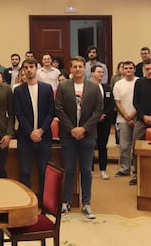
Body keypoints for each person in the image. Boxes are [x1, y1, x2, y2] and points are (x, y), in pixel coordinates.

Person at [55, 56, 102, 219]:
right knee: (68, 170)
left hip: (87, 135)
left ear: (85, 68)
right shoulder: (63, 86)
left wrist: (83, 128)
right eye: (74, 67)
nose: (77, 69)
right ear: (70, 69)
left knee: (86, 170)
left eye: (80, 66)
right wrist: (72, 129)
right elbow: (59, 109)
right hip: (68, 135)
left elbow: (98, 111)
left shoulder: (94, 87)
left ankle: (86, 203)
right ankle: (65, 202)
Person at [14, 58, 54, 199]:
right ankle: (27, 201)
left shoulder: (46, 88)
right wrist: (31, 131)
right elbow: (19, 113)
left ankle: (45, 202)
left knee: (44, 170)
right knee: (25, 171)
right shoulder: (18, 90)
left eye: (31, 66)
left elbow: (51, 112)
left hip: (44, 136)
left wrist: (41, 130)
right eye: (26, 67)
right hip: (25, 136)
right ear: (23, 70)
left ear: (36, 68)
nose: (29, 69)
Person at [113, 61, 138, 180]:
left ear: (134, 69)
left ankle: (137, 171)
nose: (128, 70)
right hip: (123, 119)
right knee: (124, 146)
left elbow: (141, 102)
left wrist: (132, 116)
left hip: (138, 119)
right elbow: (117, 102)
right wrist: (126, 116)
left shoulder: (139, 82)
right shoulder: (118, 84)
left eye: (130, 68)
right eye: (126, 68)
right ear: (122, 70)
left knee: (137, 146)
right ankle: (124, 169)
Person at [90, 65, 114, 180]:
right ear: (92, 73)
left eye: (102, 72)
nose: (101, 74)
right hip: (91, 121)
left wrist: (103, 114)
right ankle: (89, 169)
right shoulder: (88, 87)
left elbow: (110, 104)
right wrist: (96, 116)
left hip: (104, 121)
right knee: (90, 145)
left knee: (103, 146)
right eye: (99, 72)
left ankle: (103, 170)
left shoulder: (107, 88)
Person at [131, 58, 151, 186]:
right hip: (141, 120)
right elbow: (135, 102)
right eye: (147, 69)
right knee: (136, 147)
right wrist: (143, 116)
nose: (149, 71)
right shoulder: (139, 82)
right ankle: (136, 174)